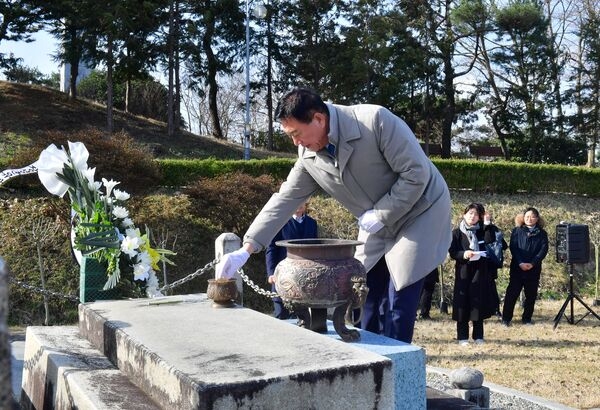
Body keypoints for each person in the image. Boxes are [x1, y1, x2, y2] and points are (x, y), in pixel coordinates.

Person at [215, 87, 452, 343]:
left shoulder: (375, 121)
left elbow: (416, 174)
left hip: (421, 211)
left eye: (297, 133)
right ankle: (371, 362)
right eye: (290, 136)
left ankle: (400, 369)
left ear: (318, 118)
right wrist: (247, 249)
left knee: (399, 293)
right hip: (375, 220)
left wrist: (383, 214)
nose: (295, 142)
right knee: (363, 290)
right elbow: (285, 199)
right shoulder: (308, 156)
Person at [448, 203, 496, 346]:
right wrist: (464, 254)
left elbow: (490, 241)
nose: (472, 216)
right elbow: (453, 252)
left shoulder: (482, 230)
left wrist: (487, 225)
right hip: (463, 271)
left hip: (480, 271)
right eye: (470, 213)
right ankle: (462, 337)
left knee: (478, 302)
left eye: (475, 214)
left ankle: (478, 336)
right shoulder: (456, 232)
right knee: (462, 303)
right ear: (464, 215)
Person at [265, 202, 318, 319]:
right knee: (281, 317)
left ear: (306, 204)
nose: (299, 204)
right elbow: (271, 249)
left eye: (302, 201)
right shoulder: (280, 222)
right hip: (283, 276)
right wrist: (271, 273)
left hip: (304, 279)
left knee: (301, 320)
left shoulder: (312, 223)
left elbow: (315, 249)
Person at [501, 207, 549, 326]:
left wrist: (533, 263)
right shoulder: (517, 231)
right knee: (512, 293)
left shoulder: (542, 233)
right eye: (527, 216)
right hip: (517, 267)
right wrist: (520, 262)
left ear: (537, 219)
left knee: (531, 294)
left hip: (534, 268)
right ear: (523, 218)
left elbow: (543, 250)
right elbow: (513, 247)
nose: (529, 219)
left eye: (532, 216)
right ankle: (506, 318)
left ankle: (527, 318)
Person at [483, 211, 508, 317]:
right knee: (489, 287)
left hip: (489, 263)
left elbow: (503, 245)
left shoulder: (492, 229)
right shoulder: (490, 228)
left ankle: (495, 309)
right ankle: (494, 309)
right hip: (486, 262)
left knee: (490, 287)